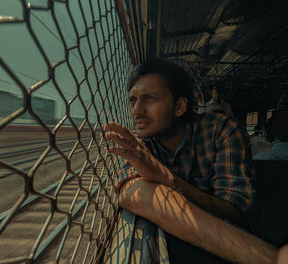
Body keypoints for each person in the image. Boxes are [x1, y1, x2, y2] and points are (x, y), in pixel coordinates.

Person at [103, 58, 277, 263]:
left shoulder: (220, 130)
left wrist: (170, 181)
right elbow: (129, 193)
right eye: (133, 100)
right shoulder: (141, 142)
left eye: (149, 99)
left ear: (179, 106)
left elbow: (235, 212)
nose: (137, 111)